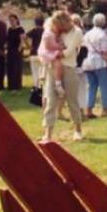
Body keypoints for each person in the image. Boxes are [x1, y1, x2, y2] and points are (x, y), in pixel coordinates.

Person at [41, 11, 83, 142]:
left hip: (69, 68)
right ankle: (48, 133)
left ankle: (78, 130)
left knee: (72, 101)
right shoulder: (53, 28)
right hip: (53, 68)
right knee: (51, 101)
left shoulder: (77, 32)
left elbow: (68, 52)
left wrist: (51, 54)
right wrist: (48, 54)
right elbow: (43, 46)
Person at [81, 13, 107, 118]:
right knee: (105, 86)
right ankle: (105, 110)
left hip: (87, 62)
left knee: (91, 87)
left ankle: (88, 110)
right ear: (104, 22)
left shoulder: (87, 34)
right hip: (100, 62)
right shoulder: (102, 34)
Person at [38, 11, 67, 100]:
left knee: (56, 64)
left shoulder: (53, 34)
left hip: (49, 52)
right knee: (58, 63)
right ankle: (58, 83)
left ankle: (45, 74)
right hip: (47, 52)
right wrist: (60, 47)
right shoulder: (48, 34)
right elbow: (48, 46)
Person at [5, 14, 26, 90]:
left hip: (17, 51)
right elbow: (7, 41)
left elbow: (22, 41)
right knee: (10, 68)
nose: (11, 22)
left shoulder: (20, 29)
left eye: (13, 20)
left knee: (16, 68)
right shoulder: (9, 29)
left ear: (16, 20)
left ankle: (17, 86)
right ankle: (10, 86)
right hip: (10, 51)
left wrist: (19, 50)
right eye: (10, 20)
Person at [25, 16, 45, 88]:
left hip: (33, 53)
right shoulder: (45, 30)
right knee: (42, 70)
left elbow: (24, 36)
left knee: (35, 71)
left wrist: (28, 46)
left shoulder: (34, 30)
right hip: (43, 53)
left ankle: (36, 86)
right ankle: (41, 85)